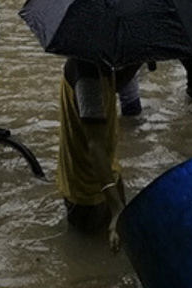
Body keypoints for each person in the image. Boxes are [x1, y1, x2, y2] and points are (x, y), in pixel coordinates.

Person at [57, 58, 138, 250]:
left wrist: (138, 60)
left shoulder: (98, 60)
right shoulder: (86, 72)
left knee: (120, 244)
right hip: (89, 189)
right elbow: (94, 146)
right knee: (95, 254)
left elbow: (112, 86)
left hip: (107, 173)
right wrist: (116, 208)